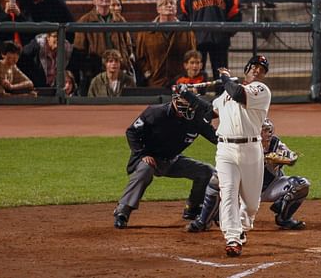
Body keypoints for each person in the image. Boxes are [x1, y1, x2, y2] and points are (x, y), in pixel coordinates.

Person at [181, 55, 271, 257]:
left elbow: (238, 93)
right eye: (254, 66)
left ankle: (242, 228)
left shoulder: (261, 91)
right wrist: (187, 95)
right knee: (228, 192)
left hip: (251, 150)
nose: (257, 70)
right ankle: (232, 237)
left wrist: (224, 77)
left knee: (251, 204)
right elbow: (208, 111)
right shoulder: (225, 96)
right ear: (247, 68)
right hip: (226, 150)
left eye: (262, 69)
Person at [112, 87, 218, 229]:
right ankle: (122, 212)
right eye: (185, 100)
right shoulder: (156, 112)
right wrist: (143, 154)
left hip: (173, 160)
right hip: (150, 159)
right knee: (145, 170)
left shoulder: (197, 119)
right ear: (175, 100)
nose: (189, 105)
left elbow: (217, 138)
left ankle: (192, 208)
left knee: (206, 171)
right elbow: (132, 132)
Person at [187, 118, 310, 235]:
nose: (267, 134)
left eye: (268, 130)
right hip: (242, 192)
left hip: (269, 188)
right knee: (216, 179)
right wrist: (262, 159)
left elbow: (292, 157)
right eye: (264, 130)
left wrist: (282, 158)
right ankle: (204, 221)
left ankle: (284, 218)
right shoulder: (242, 145)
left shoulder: (274, 143)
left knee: (301, 184)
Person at [178, 0, 242, 89]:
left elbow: (235, 10)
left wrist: (228, 32)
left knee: (222, 75)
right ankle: (198, 101)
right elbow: (182, 14)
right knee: (196, 74)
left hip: (220, 39)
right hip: (198, 40)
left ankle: (223, 101)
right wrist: (190, 36)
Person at [72, 0, 134, 96]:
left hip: (118, 71)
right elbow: (79, 51)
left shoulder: (119, 20)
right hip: (95, 73)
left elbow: (128, 45)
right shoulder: (84, 21)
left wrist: (124, 62)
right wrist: (89, 70)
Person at [135, 0, 196, 88]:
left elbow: (192, 54)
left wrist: (186, 74)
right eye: (165, 3)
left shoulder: (187, 31)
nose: (169, 5)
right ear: (158, 9)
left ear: (176, 9)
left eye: (172, 3)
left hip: (180, 81)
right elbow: (140, 57)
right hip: (156, 81)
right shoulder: (146, 32)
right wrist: (148, 73)